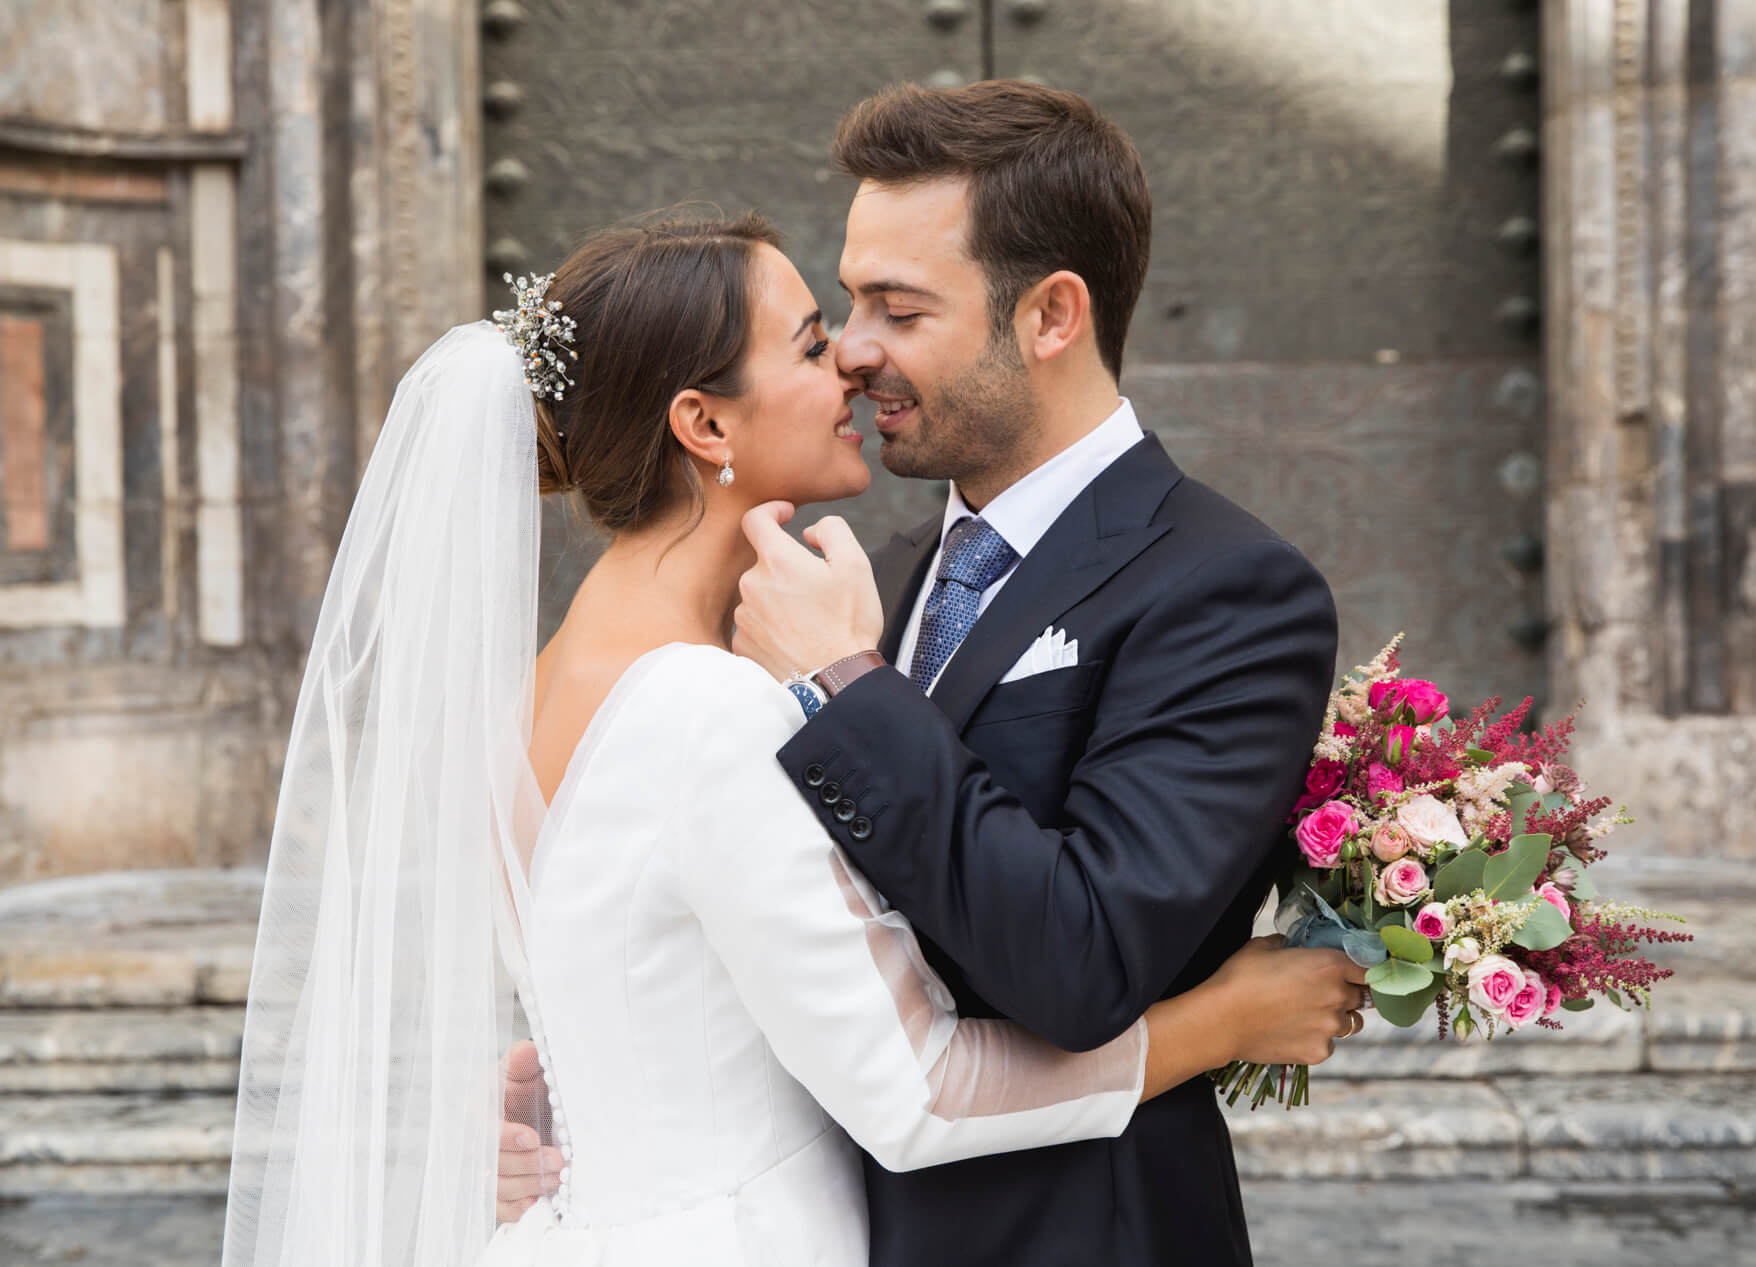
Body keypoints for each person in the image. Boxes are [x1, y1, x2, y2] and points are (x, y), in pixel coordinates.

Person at [223, 209, 1367, 1267]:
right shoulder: (706, 708)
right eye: (816, 341)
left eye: (880, 318)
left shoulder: (541, 692)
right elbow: (916, 1091)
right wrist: (1218, 1022)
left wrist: (549, 1107)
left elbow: (652, 1000)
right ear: (704, 422)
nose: (854, 367)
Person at [504, 80, 1354, 1267]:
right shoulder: (861, 587)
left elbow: (1083, 960)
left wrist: (851, 681)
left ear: (1052, 315)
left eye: (894, 309)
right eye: (839, 311)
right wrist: (564, 1103)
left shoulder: (1226, 588)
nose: (853, 354)